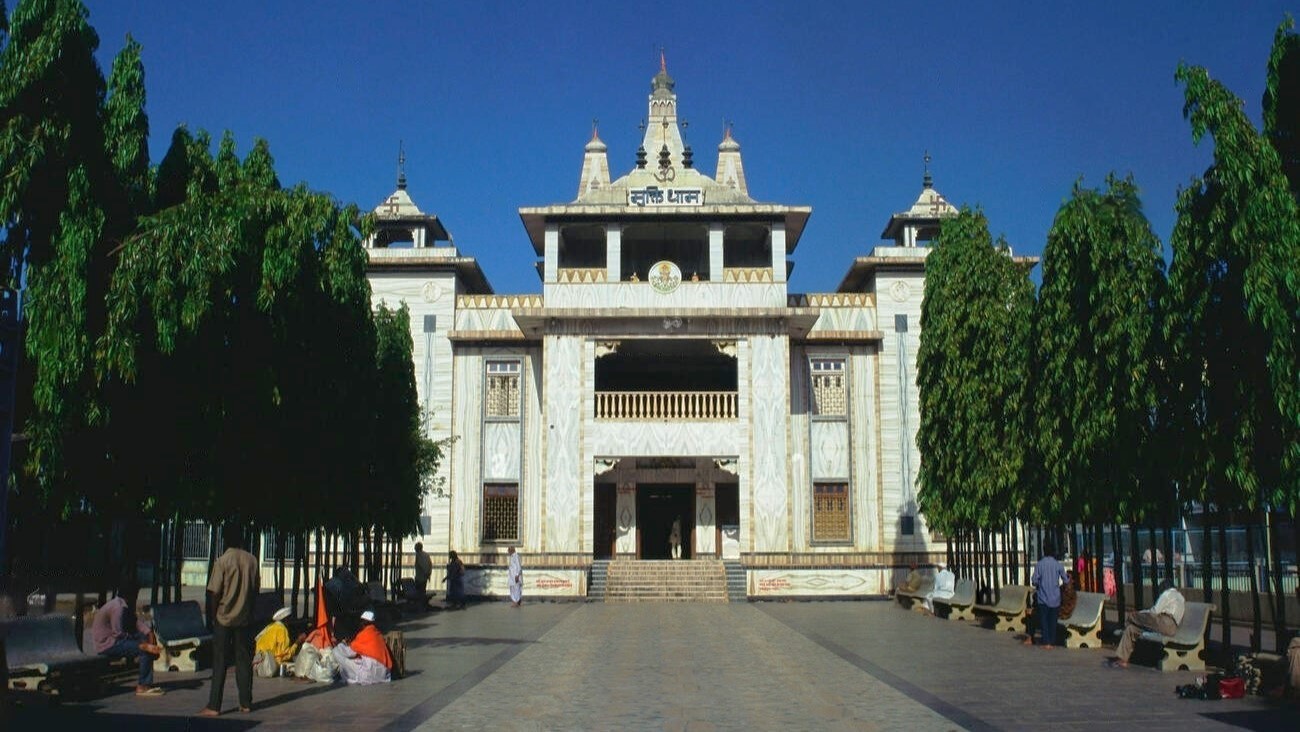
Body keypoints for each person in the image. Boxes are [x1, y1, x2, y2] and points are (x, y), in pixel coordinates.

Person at [200, 523, 260, 717]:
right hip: (244, 618)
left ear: (225, 539)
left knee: (220, 661)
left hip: (224, 618)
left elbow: (214, 592)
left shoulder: (223, 561)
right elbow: (255, 590)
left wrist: (213, 615)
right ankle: (246, 702)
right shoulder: (252, 560)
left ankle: (214, 705)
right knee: (244, 660)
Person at [91, 582, 164, 696]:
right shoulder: (118, 608)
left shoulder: (123, 605)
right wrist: (142, 645)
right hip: (108, 644)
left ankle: (145, 679)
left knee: (145, 641)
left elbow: (136, 623)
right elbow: (118, 633)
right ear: (131, 595)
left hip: (116, 640)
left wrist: (150, 636)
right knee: (145, 650)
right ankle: (142, 686)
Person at [1107, 579, 1184, 669]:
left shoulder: (1166, 594)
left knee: (1133, 616)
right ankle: (1123, 659)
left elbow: (1154, 611)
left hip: (1163, 622)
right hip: (1172, 628)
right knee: (1131, 629)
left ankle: (1124, 628)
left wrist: (1142, 613)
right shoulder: (1181, 597)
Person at [331, 610, 392, 685]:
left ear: (363, 622)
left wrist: (340, 645)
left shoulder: (364, 634)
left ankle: (345, 676)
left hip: (369, 675)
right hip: (383, 675)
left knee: (336, 652)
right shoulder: (377, 634)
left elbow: (350, 653)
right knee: (356, 661)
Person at [1026, 543, 1068, 647]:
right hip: (1055, 598)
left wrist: (1039, 584)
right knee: (1053, 620)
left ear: (1044, 551)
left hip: (1043, 597)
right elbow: (1065, 579)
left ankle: (1046, 642)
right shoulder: (1058, 565)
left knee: (1044, 620)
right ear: (1054, 552)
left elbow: (1034, 580)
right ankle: (1052, 641)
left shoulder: (1039, 564)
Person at [253, 607, 298, 678]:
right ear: (286, 619)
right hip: (272, 664)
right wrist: (297, 642)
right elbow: (284, 655)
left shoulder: (269, 627)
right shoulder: (282, 630)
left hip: (260, 662)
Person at [413, 542, 433, 606]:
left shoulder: (418, 555)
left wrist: (425, 573)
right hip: (425, 577)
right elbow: (430, 564)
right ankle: (423, 603)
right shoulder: (427, 555)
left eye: (415, 547)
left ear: (417, 548)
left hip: (420, 577)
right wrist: (428, 574)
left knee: (419, 591)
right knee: (423, 590)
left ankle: (420, 604)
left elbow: (421, 565)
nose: (414, 548)